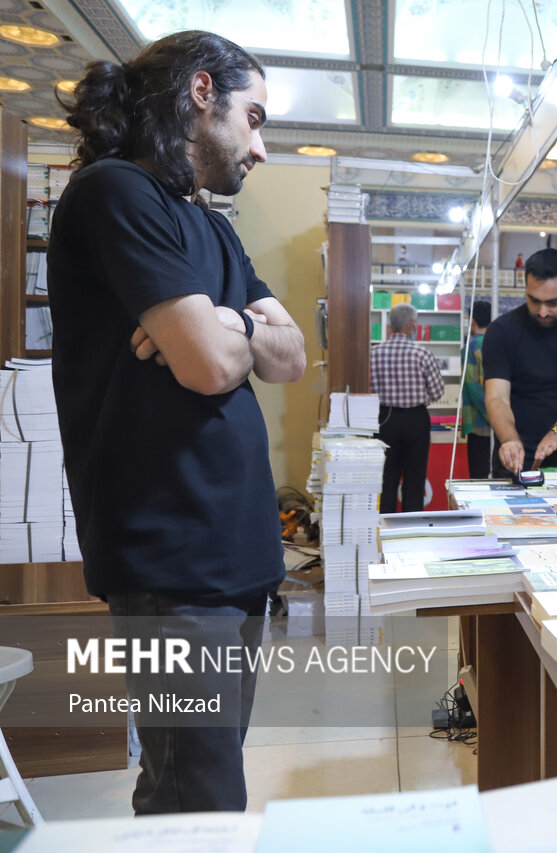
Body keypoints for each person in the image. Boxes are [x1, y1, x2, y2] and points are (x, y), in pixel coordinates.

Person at [47, 31, 307, 814]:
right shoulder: (115, 193)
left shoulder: (215, 227)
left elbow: (292, 356)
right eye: (252, 118)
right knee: (200, 797)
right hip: (169, 559)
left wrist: (230, 324)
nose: (259, 148)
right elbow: (206, 365)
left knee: (192, 777)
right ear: (201, 93)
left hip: (239, 554)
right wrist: (232, 334)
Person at [484, 248, 557, 474]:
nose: (543, 311)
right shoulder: (502, 331)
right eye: (533, 301)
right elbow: (497, 397)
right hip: (513, 457)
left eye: (553, 302)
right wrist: (509, 439)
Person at [371, 302, 446, 512]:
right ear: (412, 324)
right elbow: (438, 390)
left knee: (387, 476)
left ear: (390, 325)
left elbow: (368, 390)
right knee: (415, 476)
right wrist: (420, 399)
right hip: (416, 418)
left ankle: (383, 526)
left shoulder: (374, 353)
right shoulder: (422, 353)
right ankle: (411, 528)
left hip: (385, 418)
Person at [461, 301, 492, 478]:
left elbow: (473, 388)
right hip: (500, 421)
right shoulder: (497, 343)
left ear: (472, 321)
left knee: (479, 477)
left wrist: (491, 415)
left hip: (479, 422)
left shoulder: (471, 347)